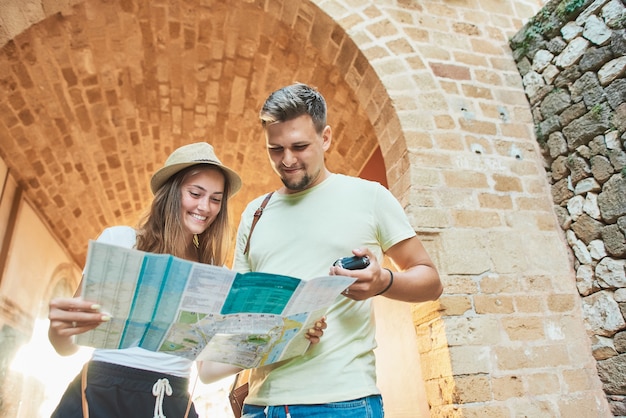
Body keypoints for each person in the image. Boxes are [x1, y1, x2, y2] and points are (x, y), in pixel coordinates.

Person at [47, 141, 327, 418]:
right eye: (196, 193)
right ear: (171, 192)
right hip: (101, 394)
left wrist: (281, 342)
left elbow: (205, 372)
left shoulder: (216, 272)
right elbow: (65, 346)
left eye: (216, 199)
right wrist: (59, 329)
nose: (205, 207)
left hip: (171, 401)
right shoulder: (120, 240)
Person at [232, 83, 443, 417]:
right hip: (260, 406)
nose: (287, 160)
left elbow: (430, 281)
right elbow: (238, 312)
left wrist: (383, 281)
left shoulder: (370, 197)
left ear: (325, 137)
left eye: (299, 146)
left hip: (343, 403)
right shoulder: (254, 213)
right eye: (276, 149)